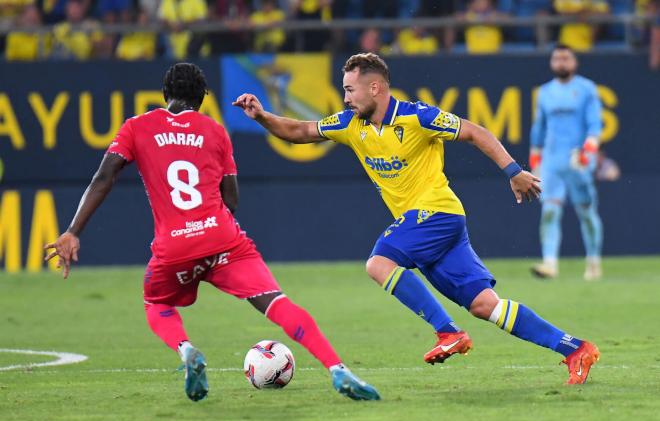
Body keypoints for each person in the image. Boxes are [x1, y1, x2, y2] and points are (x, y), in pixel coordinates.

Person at [233, 52, 600, 385]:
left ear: (374, 87)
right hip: (433, 225)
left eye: (349, 89)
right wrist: (263, 116)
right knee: (486, 305)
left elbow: (474, 131)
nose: (345, 98)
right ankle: (574, 348)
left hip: (437, 213)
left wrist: (514, 171)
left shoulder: (416, 116)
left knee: (378, 263)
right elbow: (300, 131)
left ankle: (447, 332)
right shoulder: (350, 124)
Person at [44, 63, 380, 402]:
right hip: (223, 238)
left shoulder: (137, 127)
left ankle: (187, 349)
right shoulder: (214, 131)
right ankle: (338, 369)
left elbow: (104, 177)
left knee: (156, 301)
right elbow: (231, 199)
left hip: (173, 246)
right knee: (276, 303)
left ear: (165, 95)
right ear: (202, 99)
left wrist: (73, 231)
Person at [529, 45, 604, 280]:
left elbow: (594, 124)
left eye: (565, 58)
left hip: (577, 159)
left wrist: (588, 150)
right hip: (552, 160)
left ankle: (593, 261)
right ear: (552, 63)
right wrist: (535, 159)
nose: (561, 62)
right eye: (557, 58)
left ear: (574, 63)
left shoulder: (586, 89)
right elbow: (539, 128)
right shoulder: (544, 92)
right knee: (549, 211)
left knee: (586, 212)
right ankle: (549, 263)